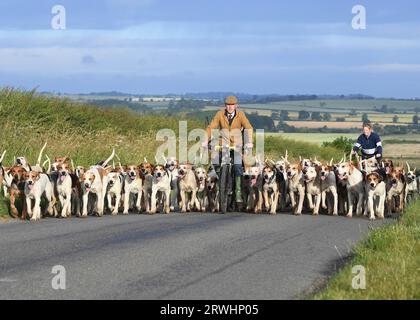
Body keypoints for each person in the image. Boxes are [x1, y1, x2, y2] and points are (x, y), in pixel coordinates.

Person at [202, 95, 254, 209]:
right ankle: (221, 183)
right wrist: (205, 140)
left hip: (237, 145)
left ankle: (238, 192)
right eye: (228, 105)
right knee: (215, 160)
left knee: (237, 166)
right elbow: (211, 127)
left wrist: (249, 142)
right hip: (223, 143)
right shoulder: (220, 114)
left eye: (232, 105)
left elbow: (248, 127)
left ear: (236, 105)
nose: (230, 107)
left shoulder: (241, 115)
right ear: (225, 106)